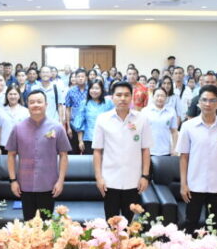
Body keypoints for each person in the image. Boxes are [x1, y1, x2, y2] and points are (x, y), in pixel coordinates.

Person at [176, 85, 217, 234]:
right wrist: (183, 184)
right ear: (198, 102)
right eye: (204, 100)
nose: (208, 104)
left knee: (213, 224)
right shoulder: (188, 126)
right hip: (194, 185)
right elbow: (184, 157)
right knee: (190, 223)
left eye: (212, 100)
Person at [6, 89, 71, 220]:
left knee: (46, 225)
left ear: (46, 104)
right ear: (27, 105)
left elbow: (64, 155)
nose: (36, 105)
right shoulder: (18, 128)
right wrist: (13, 181)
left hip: (49, 185)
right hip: (25, 185)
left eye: (39, 102)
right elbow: (11, 155)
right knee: (29, 224)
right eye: (32, 102)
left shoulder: (57, 127)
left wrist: (60, 181)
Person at [92, 81, 152, 221]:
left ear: (132, 97)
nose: (123, 98)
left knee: (129, 224)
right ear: (112, 97)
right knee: (111, 223)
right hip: (109, 181)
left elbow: (145, 150)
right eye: (119, 95)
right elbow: (97, 151)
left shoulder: (141, 119)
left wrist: (145, 176)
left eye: (126, 95)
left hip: (133, 181)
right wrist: (99, 178)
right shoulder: (103, 119)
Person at [74, 79, 114, 155]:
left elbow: (113, 121)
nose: (94, 91)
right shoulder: (84, 103)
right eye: (92, 88)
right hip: (89, 139)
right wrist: (80, 141)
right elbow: (79, 123)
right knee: (90, 161)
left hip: (106, 139)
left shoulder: (108, 103)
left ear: (102, 90)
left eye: (97, 88)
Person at [142, 87, 178, 156]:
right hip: (149, 150)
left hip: (166, 150)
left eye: (162, 96)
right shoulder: (145, 111)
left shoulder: (171, 111)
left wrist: (174, 148)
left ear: (166, 98)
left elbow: (174, 132)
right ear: (153, 97)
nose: (160, 98)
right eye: (157, 95)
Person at [0, 85, 29, 155]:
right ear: (7, 96)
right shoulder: (0, 111)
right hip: (4, 145)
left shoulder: (25, 111)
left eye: (15, 94)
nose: (13, 96)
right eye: (10, 94)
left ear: (19, 96)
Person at [64, 69, 88, 155]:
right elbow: (68, 109)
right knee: (73, 152)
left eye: (82, 76)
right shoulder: (71, 91)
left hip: (87, 126)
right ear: (75, 78)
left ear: (86, 78)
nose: (80, 78)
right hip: (73, 125)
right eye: (78, 76)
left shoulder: (91, 90)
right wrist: (68, 127)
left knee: (87, 152)